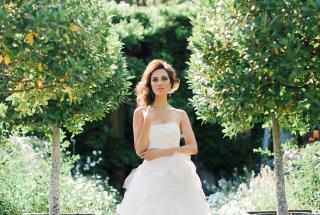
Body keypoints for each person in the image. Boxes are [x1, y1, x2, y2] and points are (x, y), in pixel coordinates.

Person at [116, 59, 211, 215]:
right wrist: (148, 120)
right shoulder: (140, 113)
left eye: (164, 78)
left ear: (171, 83)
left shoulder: (180, 114)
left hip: (178, 174)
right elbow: (140, 150)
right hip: (151, 175)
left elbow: (193, 148)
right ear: (150, 84)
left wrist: (162, 153)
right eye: (155, 79)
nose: (159, 83)